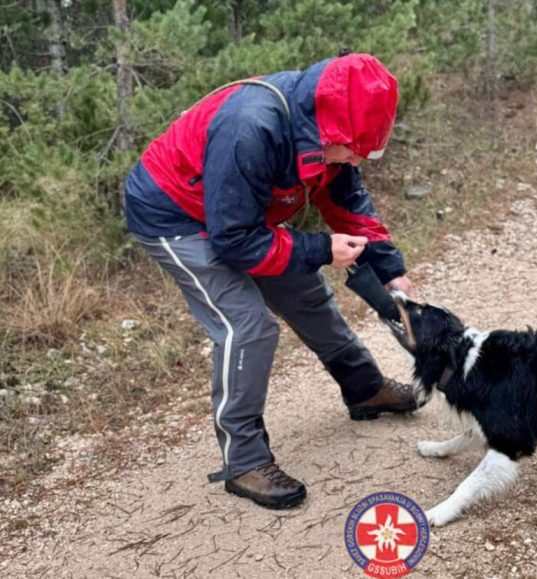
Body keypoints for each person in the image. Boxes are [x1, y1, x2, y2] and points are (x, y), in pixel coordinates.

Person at [123, 53, 422, 510]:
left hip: (238, 215)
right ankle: (243, 460)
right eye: (354, 150)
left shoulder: (332, 130)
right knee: (247, 326)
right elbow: (234, 243)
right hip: (174, 215)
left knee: (307, 293)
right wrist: (322, 250)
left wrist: (390, 272)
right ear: (330, 128)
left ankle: (365, 390)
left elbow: (349, 202)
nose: (358, 158)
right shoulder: (252, 127)